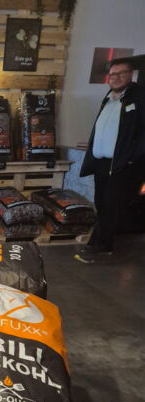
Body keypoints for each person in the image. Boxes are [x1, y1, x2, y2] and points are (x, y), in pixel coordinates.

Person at [76, 59, 145, 263]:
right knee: (101, 202)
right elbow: (105, 128)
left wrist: (132, 157)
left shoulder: (138, 98)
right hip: (102, 162)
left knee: (111, 205)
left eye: (120, 73)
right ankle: (99, 243)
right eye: (112, 74)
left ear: (130, 75)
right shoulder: (109, 98)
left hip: (122, 164)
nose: (115, 78)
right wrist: (92, 145)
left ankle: (101, 246)